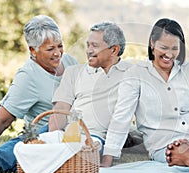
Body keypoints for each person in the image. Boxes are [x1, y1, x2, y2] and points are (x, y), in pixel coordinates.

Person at [101, 18, 189, 167]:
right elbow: (121, 117)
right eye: (164, 47)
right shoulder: (136, 74)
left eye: (174, 48)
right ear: (152, 43)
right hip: (166, 146)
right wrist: (107, 160)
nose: (169, 54)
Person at [0, 15, 78, 173]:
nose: (58, 53)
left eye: (60, 46)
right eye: (50, 49)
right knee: (33, 139)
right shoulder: (28, 77)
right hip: (46, 137)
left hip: (75, 131)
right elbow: (3, 120)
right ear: (33, 50)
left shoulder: (70, 62)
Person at [48, 22, 133, 157]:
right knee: (20, 146)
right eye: (88, 45)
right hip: (64, 131)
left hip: (93, 137)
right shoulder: (73, 72)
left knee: (79, 151)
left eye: (95, 46)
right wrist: (54, 140)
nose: (89, 50)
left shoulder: (131, 73)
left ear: (114, 50)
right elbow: (59, 110)